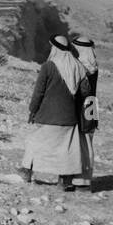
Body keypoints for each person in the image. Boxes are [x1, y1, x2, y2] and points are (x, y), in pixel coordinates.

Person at [18, 36, 91, 192]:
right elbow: (85, 92)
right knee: (67, 149)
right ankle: (65, 182)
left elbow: (39, 92)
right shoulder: (78, 67)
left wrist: (33, 110)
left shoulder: (48, 67)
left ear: (55, 49)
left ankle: (26, 172)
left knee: (35, 141)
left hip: (48, 117)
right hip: (69, 118)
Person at [71, 36, 99, 190]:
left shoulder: (82, 65)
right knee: (88, 143)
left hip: (82, 107)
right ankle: (84, 179)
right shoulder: (93, 64)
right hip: (92, 107)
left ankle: (81, 181)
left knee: (81, 144)